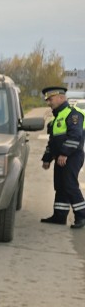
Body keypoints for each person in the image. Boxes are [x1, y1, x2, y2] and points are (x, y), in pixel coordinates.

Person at [39, 85, 85, 228]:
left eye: (51, 99)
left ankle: (82, 216)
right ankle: (59, 216)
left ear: (61, 97)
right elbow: (52, 141)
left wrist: (65, 153)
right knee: (60, 185)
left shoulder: (73, 114)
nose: (49, 102)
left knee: (70, 185)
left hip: (72, 156)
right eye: (47, 100)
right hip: (60, 156)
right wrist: (47, 158)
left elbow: (75, 136)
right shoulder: (55, 119)